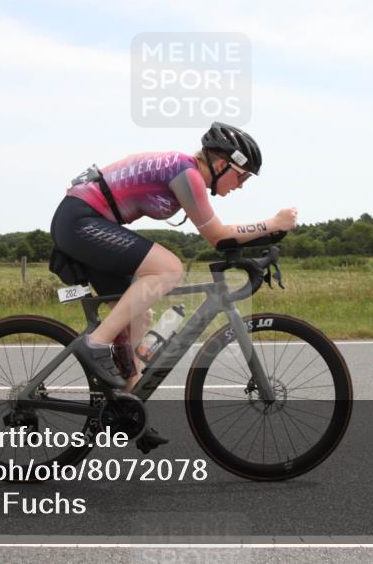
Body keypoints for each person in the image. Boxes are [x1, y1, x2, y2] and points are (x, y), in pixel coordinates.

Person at [49, 122, 298, 448]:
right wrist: (274, 222)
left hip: (90, 221)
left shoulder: (185, 172)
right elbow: (218, 236)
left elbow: (222, 238)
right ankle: (95, 344)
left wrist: (265, 236)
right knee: (168, 269)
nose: (242, 185)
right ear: (222, 164)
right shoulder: (188, 174)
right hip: (82, 219)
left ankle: (126, 407)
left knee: (141, 316)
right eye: (242, 176)